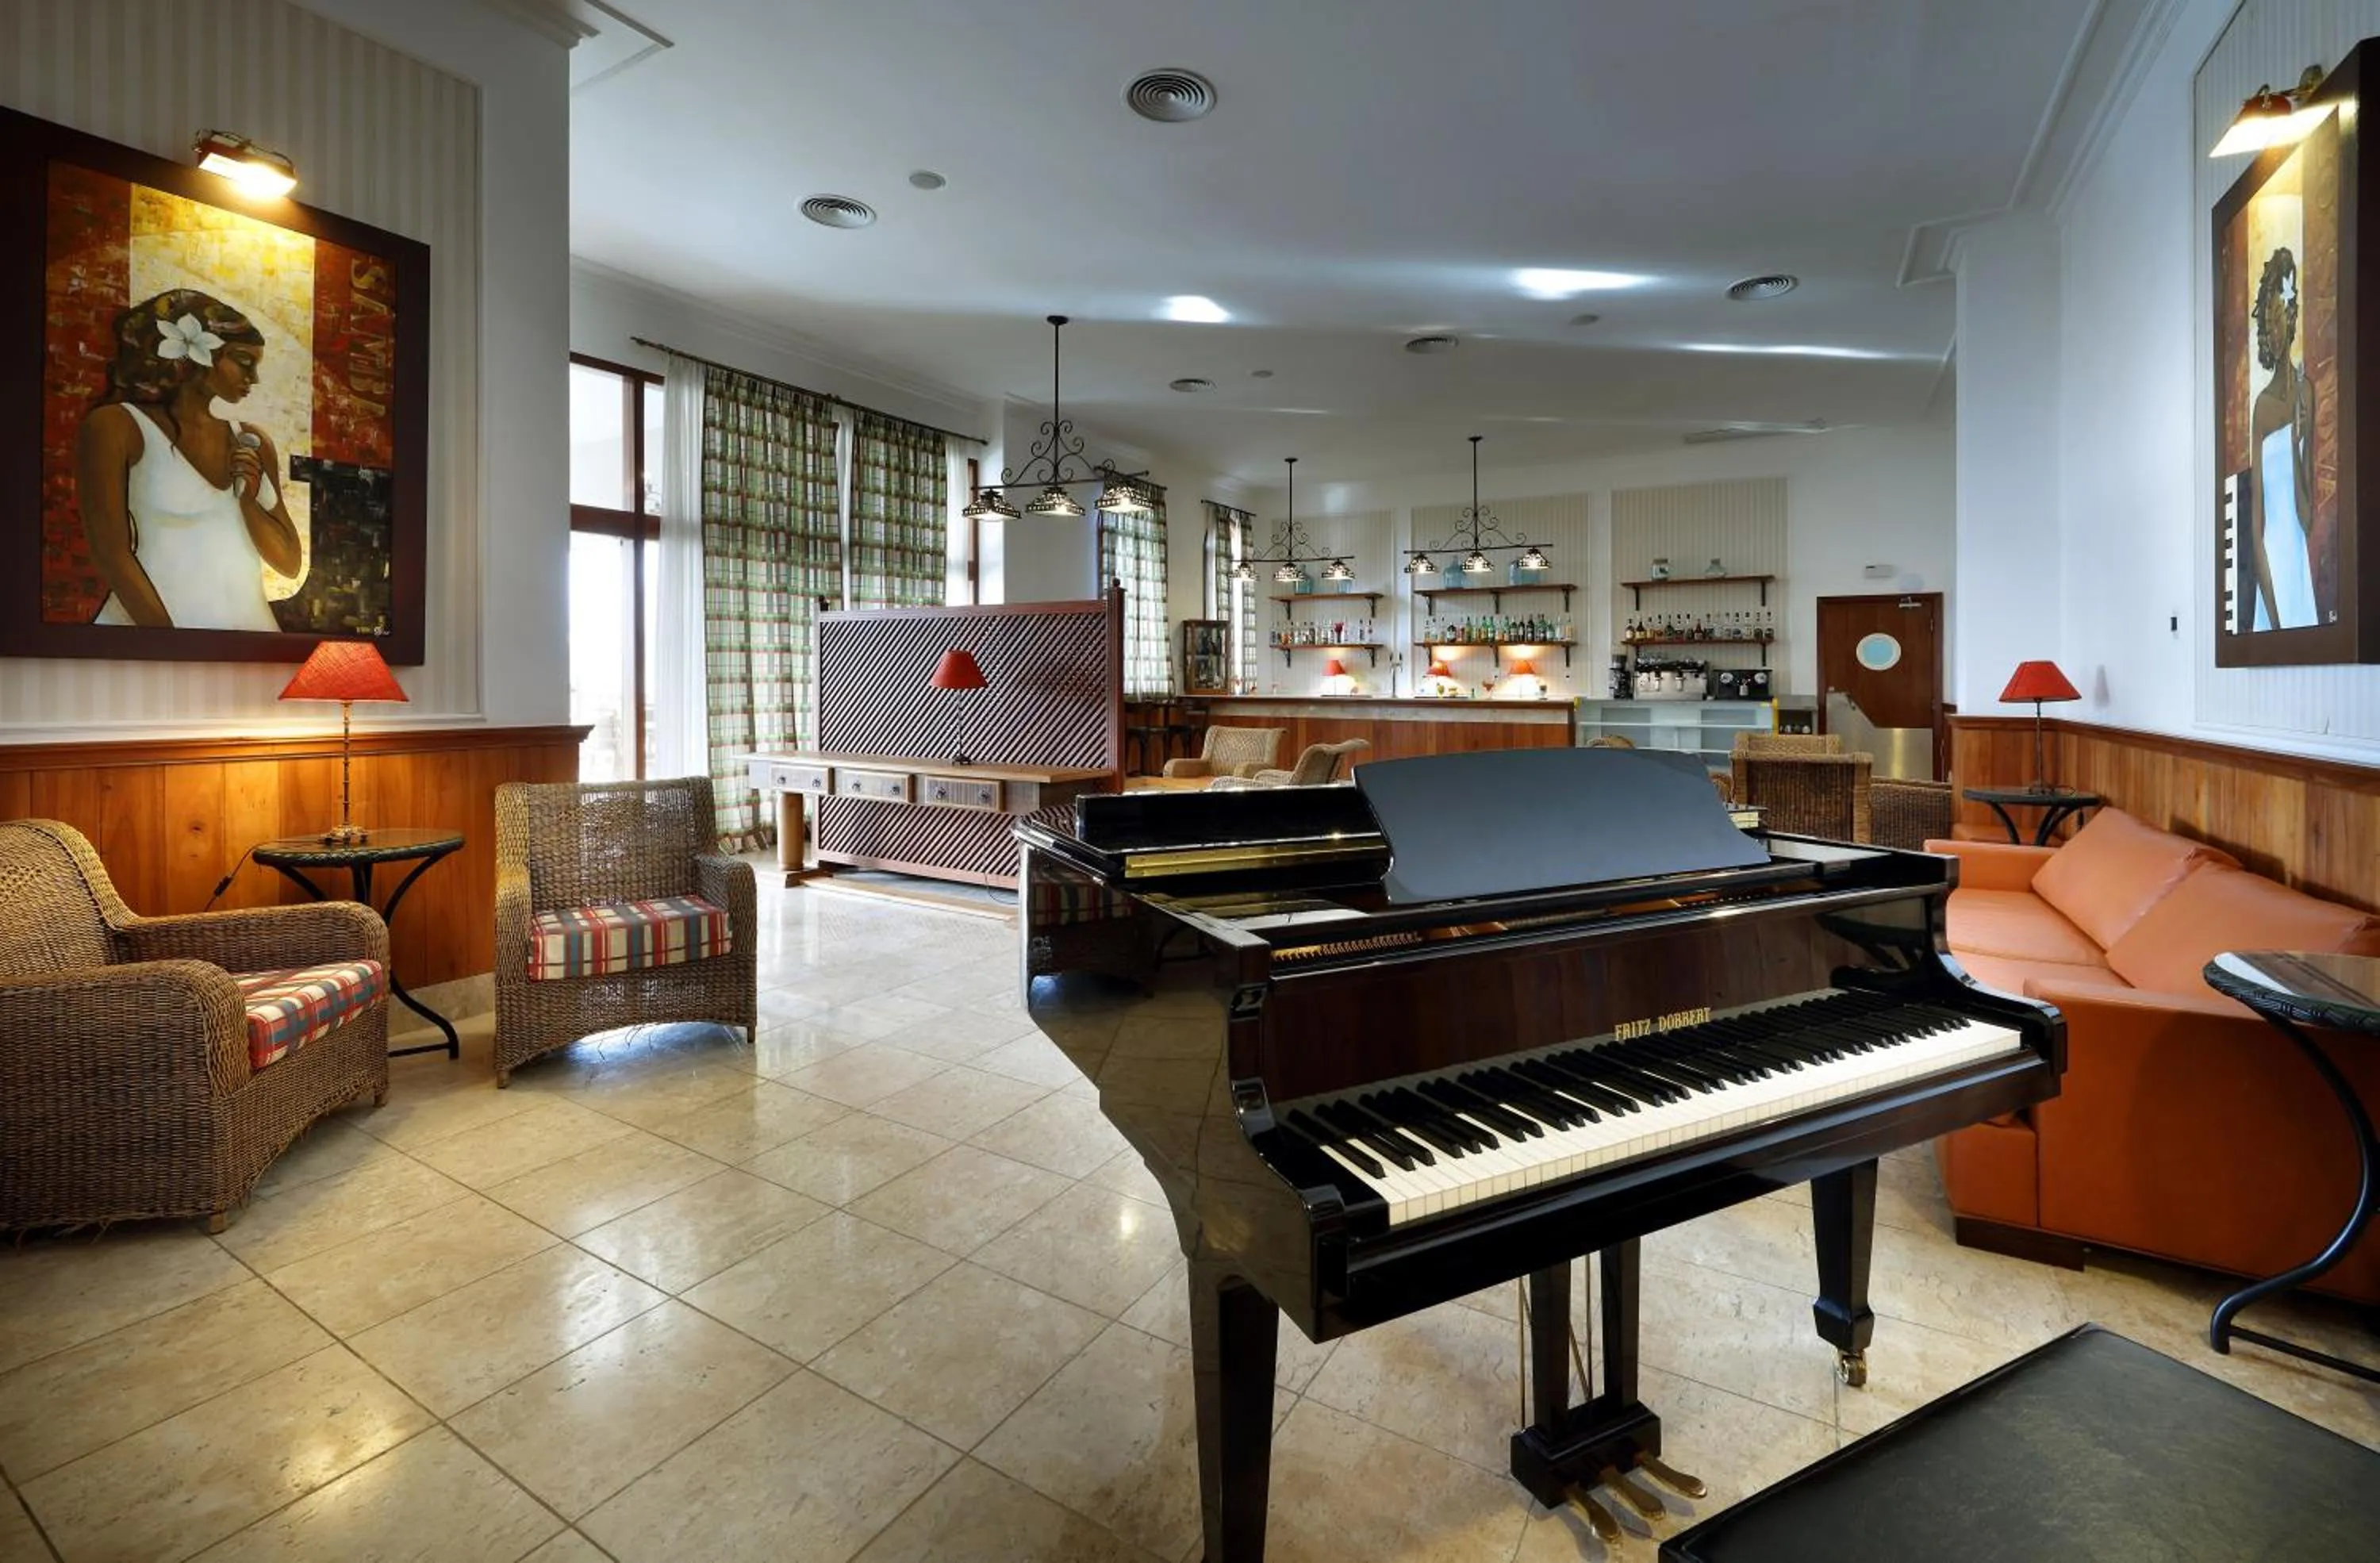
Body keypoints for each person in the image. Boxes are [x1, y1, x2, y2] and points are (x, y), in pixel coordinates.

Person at [75, 288, 302, 630]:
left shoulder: (252, 441)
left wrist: (247, 503)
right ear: (198, 356)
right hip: (150, 641)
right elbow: (112, 555)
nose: (253, 378)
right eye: (243, 362)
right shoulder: (117, 425)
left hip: (250, 640)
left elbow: (288, 563)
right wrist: (174, 645)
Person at [2248, 247, 2318, 632]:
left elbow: (2306, 519)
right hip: (2271, 572)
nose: (2274, 333)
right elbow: (2257, 526)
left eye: (2279, 320)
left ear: (2291, 319)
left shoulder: (2307, 392)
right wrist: (2276, 623)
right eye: (2268, 324)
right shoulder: (2262, 407)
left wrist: (2294, 444)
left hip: (2297, 568)